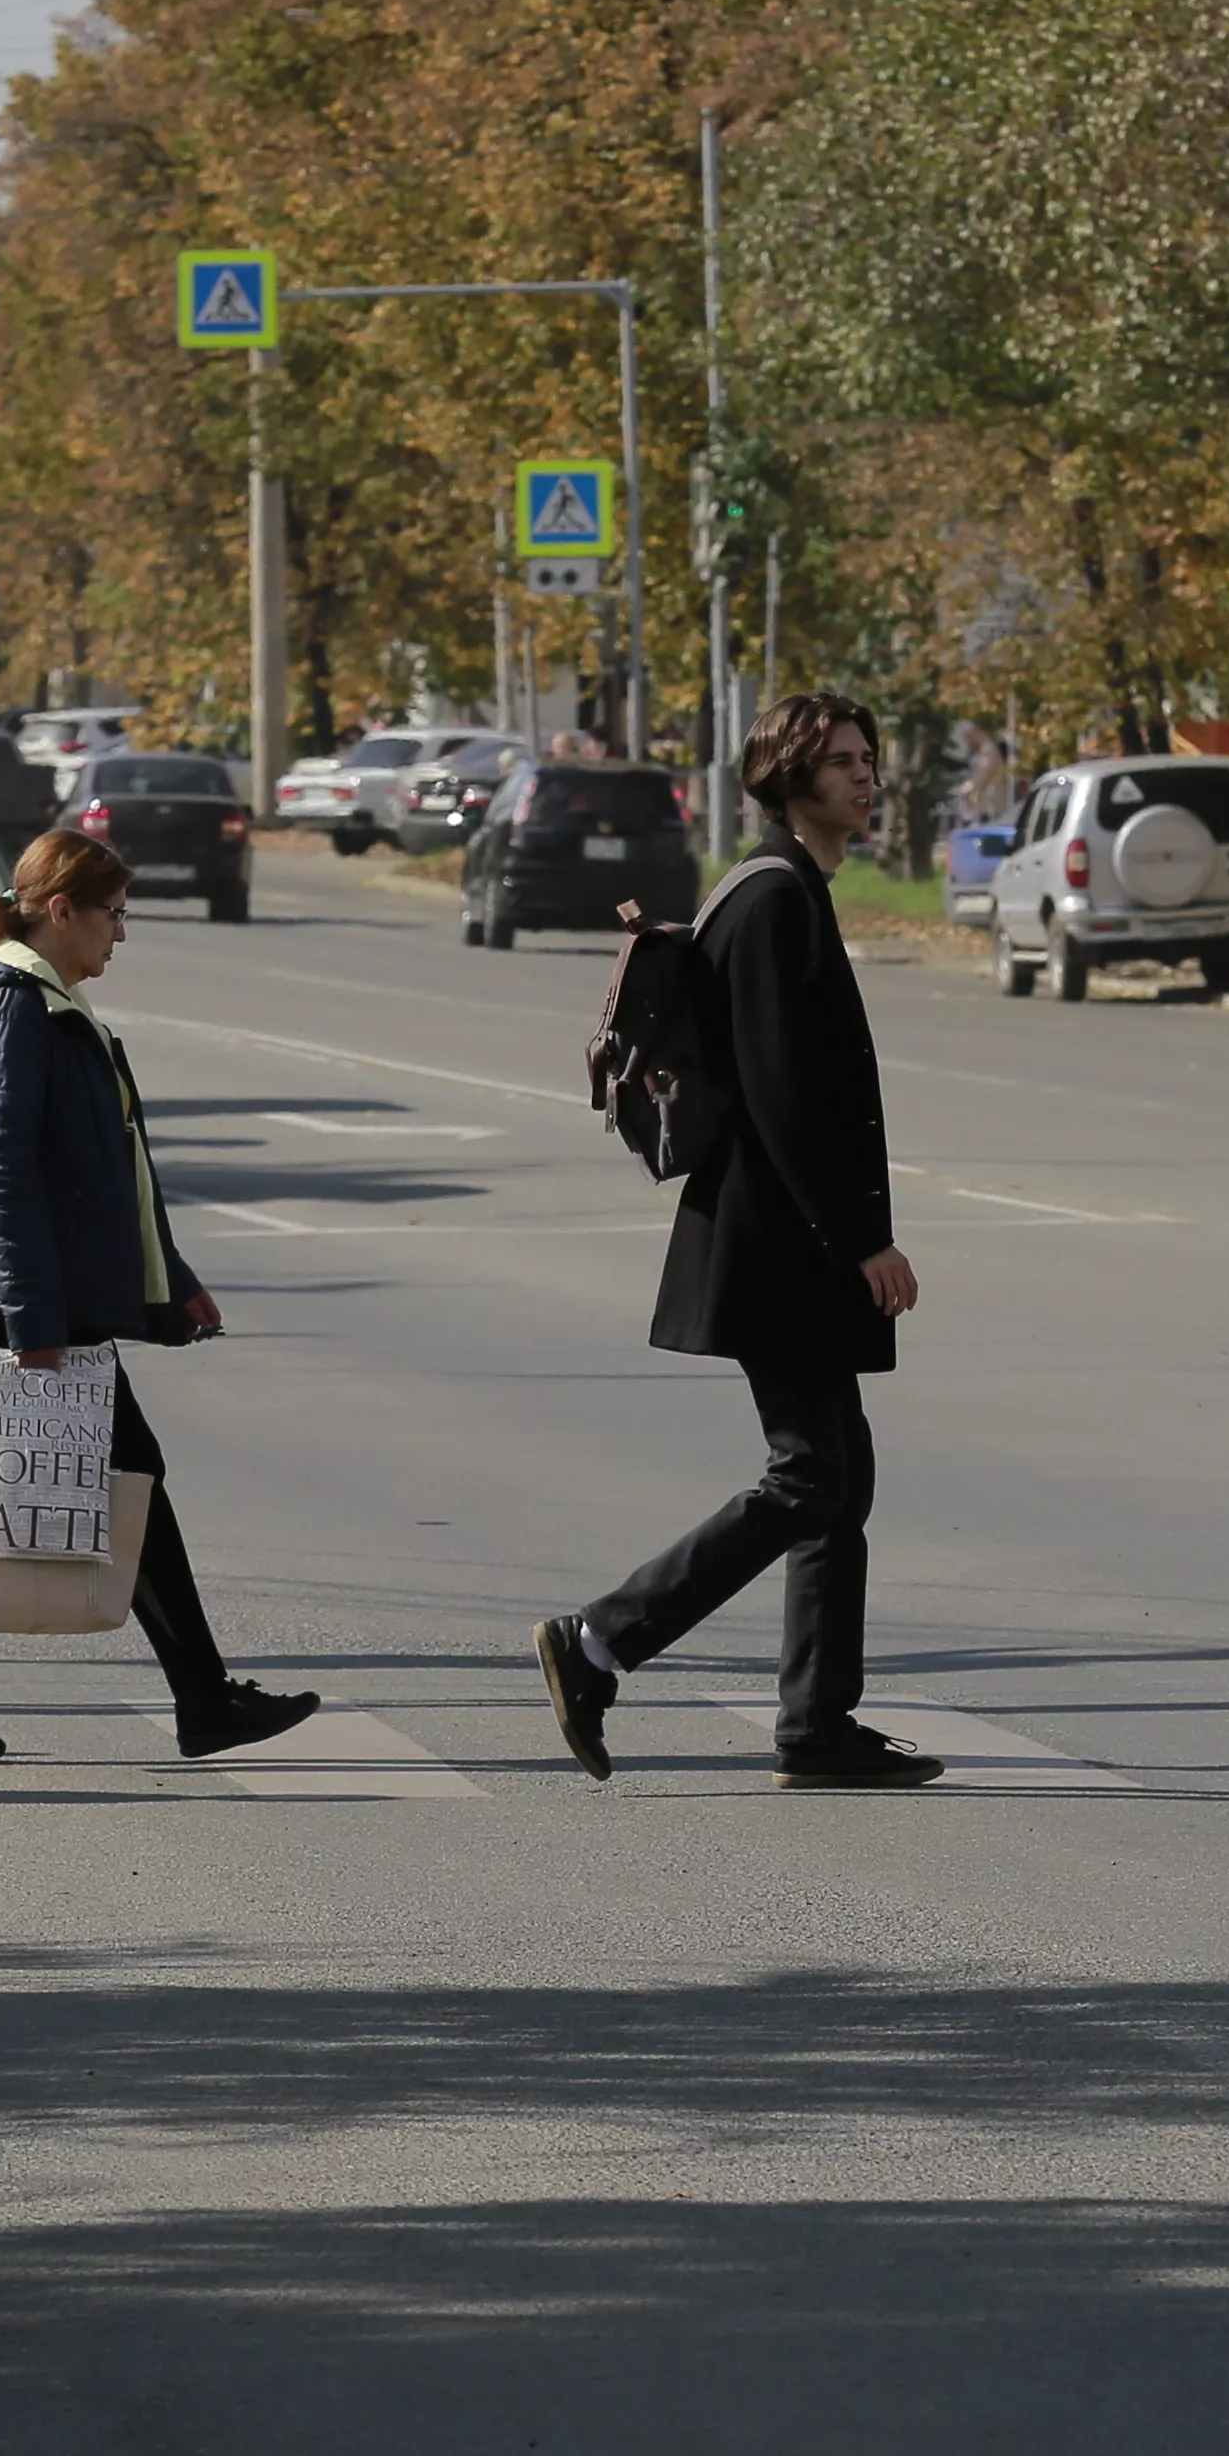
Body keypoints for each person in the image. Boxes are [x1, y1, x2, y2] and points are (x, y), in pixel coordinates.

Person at [534, 692, 937, 1788]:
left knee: (836, 1478)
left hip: (787, 1240)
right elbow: (780, 1094)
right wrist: (865, 1241)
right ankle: (602, 1638)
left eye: (869, 759)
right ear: (792, 775)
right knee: (811, 1476)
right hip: (779, 1246)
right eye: (845, 762)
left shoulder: (791, 889)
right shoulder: (772, 902)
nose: (866, 778)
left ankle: (818, 1722)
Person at [0, 823, 319, 1768]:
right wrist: (34, 1324)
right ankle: (200, 1699)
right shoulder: (13, 1009)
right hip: (14, 1297)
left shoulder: (41, 1000)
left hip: (28, 1294)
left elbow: (104, 1176)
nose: (121, 933)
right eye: (112, 914)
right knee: (96, 1479)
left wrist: (171, 1282)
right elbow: (5, 1174)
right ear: (59, 910)